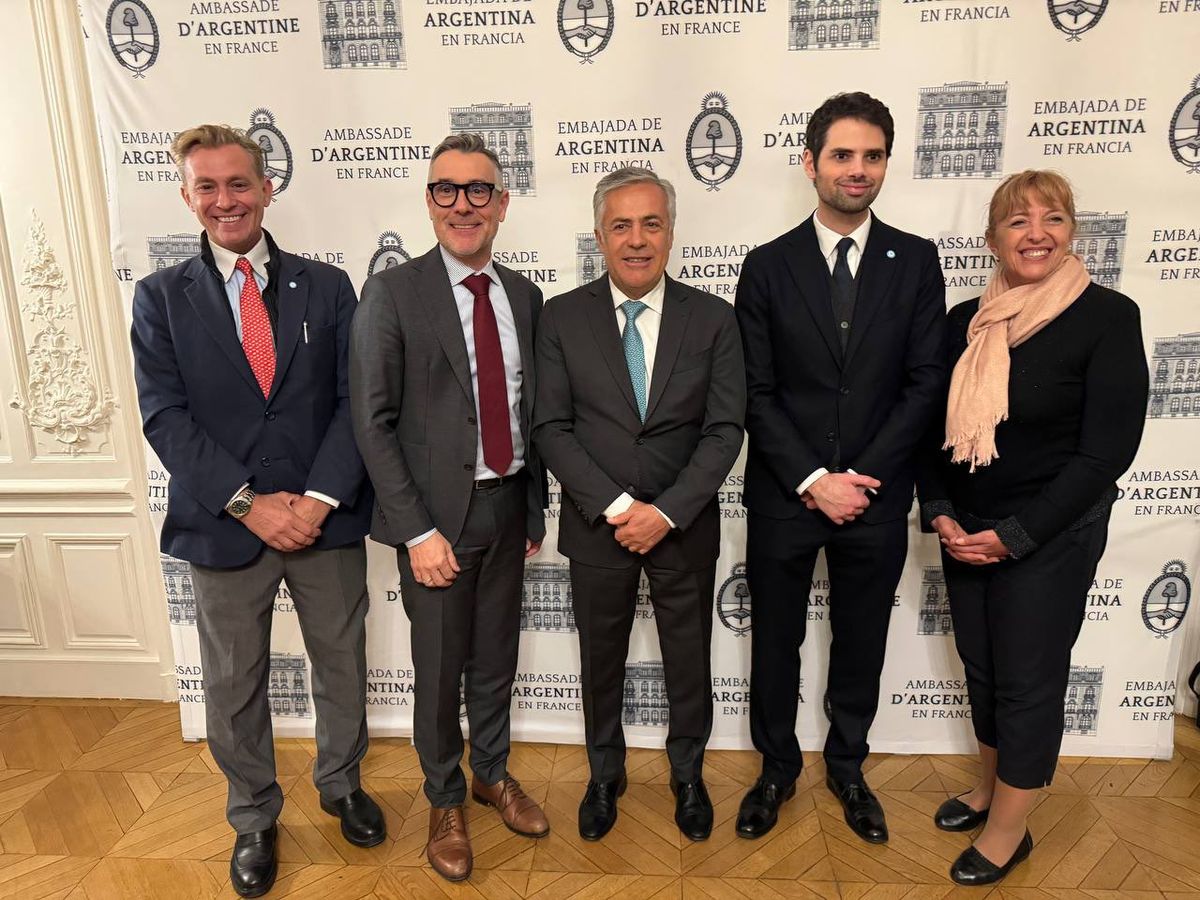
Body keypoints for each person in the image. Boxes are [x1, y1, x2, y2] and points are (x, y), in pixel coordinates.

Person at [130, 124, 383, 898]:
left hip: (324, 518)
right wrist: (248, 503)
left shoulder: (329, 287)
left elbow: (355, 403)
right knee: (233, 680)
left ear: (267, 188)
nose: (224, 200)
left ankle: (340, 784)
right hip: (223, 523)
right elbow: (165, 416)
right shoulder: (159, 297)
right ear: (186, 196)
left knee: (340, 665)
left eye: (238, 183)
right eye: (206, 186)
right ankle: (253, 815)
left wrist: (315, 500)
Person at [917, 169, 1148, 886]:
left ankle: (1010, 830)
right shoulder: (965, 321)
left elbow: (1105, 452)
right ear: (992, 240)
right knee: (983, 672)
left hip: (1051, 534)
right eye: (1018, 222)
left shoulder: (1107, 316)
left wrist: (1016, 535)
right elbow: (934, 432)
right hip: (968, 528)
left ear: (1073, 230)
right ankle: (989, 791)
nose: (1036, 233)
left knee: (1028, 682)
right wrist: (942, 511)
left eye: (1051, 218)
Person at [734, 92, 947, 845]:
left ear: (886, 162)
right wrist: (811, 480)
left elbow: (926, 382)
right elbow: (753, 392)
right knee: (775, 643)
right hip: (786, 496)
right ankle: (776, 770)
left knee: (862, 639)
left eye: (873, 155)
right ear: (810, 163)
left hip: (877, 497)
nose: (858, 170)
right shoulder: (765, 267)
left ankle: (848, 766)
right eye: (843, 155)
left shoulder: (917, 261)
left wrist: (860, 477)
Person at [349, 133, 548, 883]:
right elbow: (372, 421)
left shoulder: (524, 298)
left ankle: (490, 774)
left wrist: (531, 511)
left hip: (508, 511)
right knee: (438, 670)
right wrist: (417, 531)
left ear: (502, 203)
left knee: (496, 659)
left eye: (478, 191)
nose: (462, 204)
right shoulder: (393, 294)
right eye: (446, 189)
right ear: (428, 201)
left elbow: (532, 413)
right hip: (435, 523)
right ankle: (443, 798)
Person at [532, 167, 745, 843]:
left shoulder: (714, 318)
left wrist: (668, 511)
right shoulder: (560, 317)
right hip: (599, 527)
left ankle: (688, 773)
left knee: (689, 660)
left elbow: (724, 430)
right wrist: (621, 506)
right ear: (599, 235)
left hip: (684, 527)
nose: (636, 239)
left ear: (672, 232)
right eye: (621, 225)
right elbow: (551, 428)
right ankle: (604, 774)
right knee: (601, 659)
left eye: (651, 223)